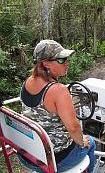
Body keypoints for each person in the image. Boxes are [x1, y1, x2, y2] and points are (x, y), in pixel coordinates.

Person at [18, 40, 96, 172]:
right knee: (91, 142)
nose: (67, 62)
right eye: (61, 60)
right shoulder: (59, 90)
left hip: (28, 155)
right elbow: (73, 127)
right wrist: (82, 142)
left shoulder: (28, 82)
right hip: (54, 160)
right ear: (46, 63)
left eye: (66, 58)